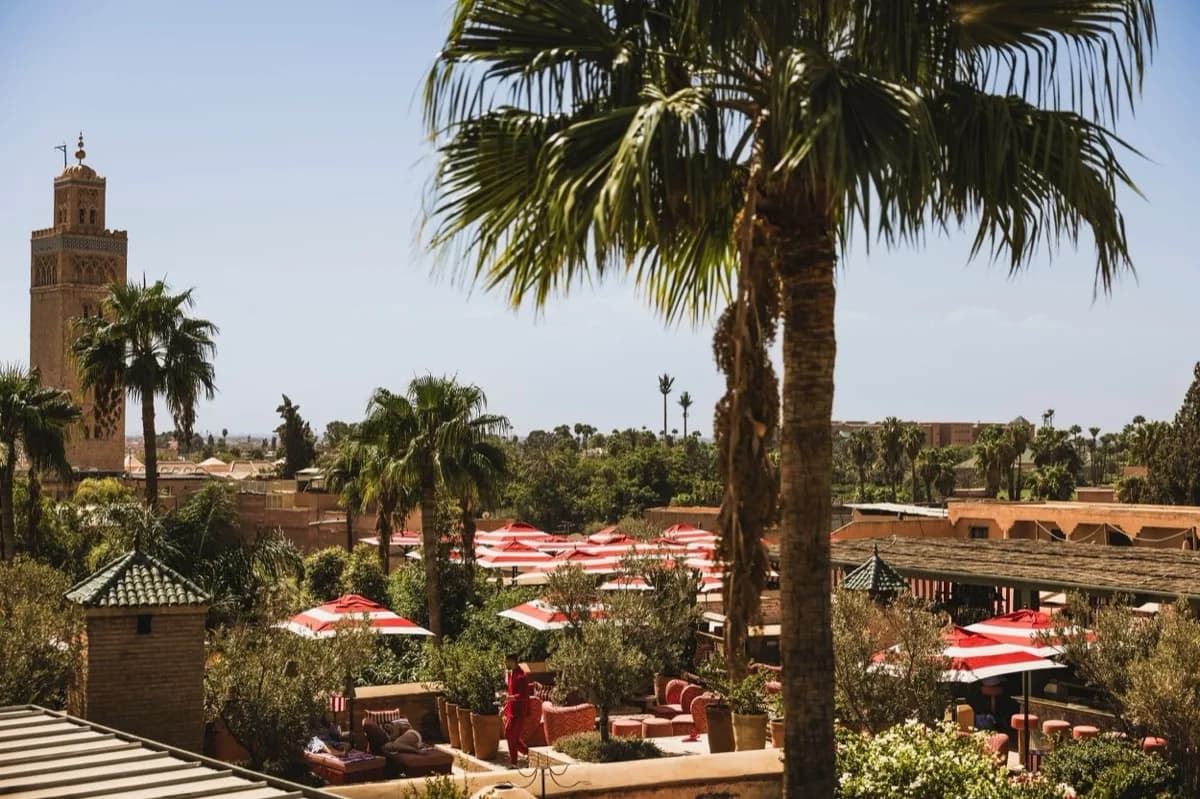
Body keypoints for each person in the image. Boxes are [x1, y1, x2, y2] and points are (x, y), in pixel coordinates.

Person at [503, 652, 530, 766]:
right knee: (509, 735)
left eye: (506, 661)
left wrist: (508, 697)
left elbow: (523, 696)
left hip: (519, 712)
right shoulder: (512, 673)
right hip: (511, 711)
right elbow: (511, 693)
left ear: (512, 661)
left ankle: (514, 762)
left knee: (512, 736)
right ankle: (528, 753)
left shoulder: (521, 676)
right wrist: (504, 708)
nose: (505, 663)